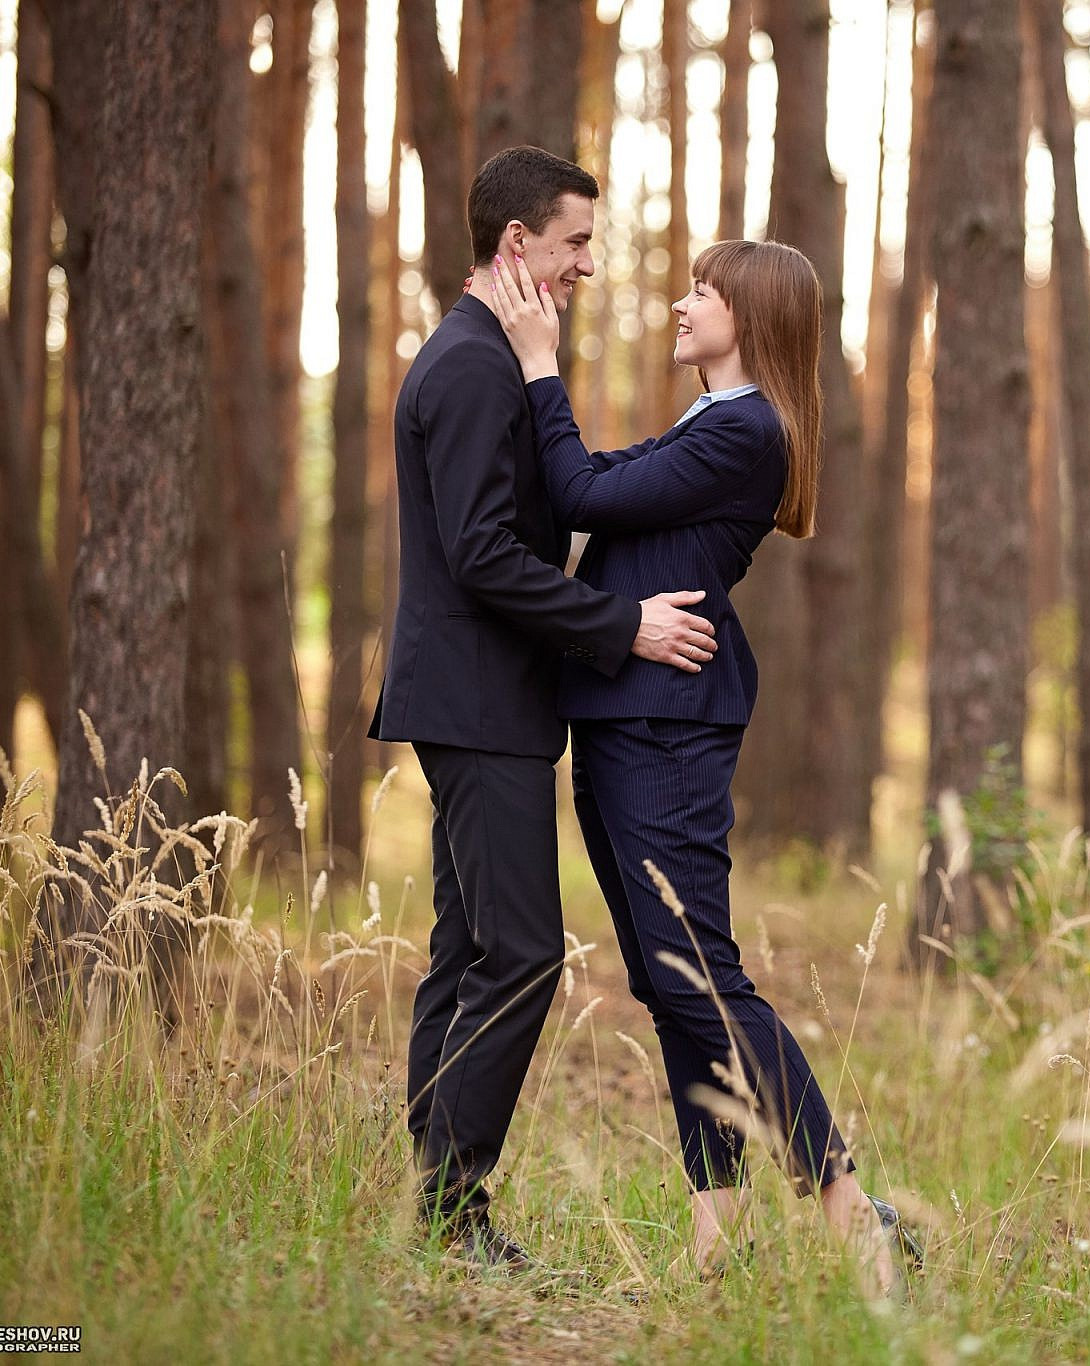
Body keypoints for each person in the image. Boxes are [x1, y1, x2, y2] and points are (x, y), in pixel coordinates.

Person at [486, 241, 920, 1294]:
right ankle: (715, 1244)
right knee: (674, 987)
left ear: (754, 316)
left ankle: (854, 1214)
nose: (680, 305)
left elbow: (583, 489)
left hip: (665, 727)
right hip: (629, 713)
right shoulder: (710, 422)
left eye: (703, 294)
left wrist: (539, 364)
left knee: (703, 981)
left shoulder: (744, 431)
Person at [370, 145, 722, 1270]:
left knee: (467, 941)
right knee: (520, 951)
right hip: (478, 696)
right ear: (515, 243)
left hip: (483, 693)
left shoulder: (483, 352)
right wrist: (618, 625)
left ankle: (429, 1201)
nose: (587, 261)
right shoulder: (473, 366)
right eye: (573, 241)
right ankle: (450, 1210)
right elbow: (479, 552)